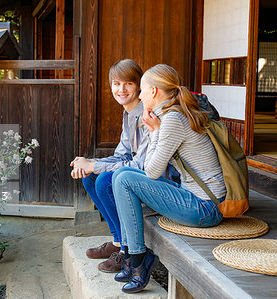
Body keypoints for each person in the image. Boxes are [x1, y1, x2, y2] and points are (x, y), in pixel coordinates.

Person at [112, 64, 226, 293]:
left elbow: (151, 171)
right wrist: (155, 130)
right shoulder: (174, 113)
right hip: (197, 199)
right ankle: (133, 255)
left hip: (205, 208)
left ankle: (137, 261)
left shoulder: (173, 119)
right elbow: (149, 169)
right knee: (121, 174)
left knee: (124, 179)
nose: (141, 96)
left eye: (142, 90)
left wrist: (154, 132)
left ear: (153, 91)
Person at [70, 59, 149, 272]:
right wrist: (90, 164)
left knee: (104, 179)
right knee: (90, 176)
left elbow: (139, 165)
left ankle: (126, 250)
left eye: (128, 84)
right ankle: (117, 240)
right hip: (135, 174)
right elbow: (120, 155)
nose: (121, 89)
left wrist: (95, 166)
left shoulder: (146, 114)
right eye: (116, 83)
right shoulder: (128, 113)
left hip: (158, 179)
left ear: (139, 85)